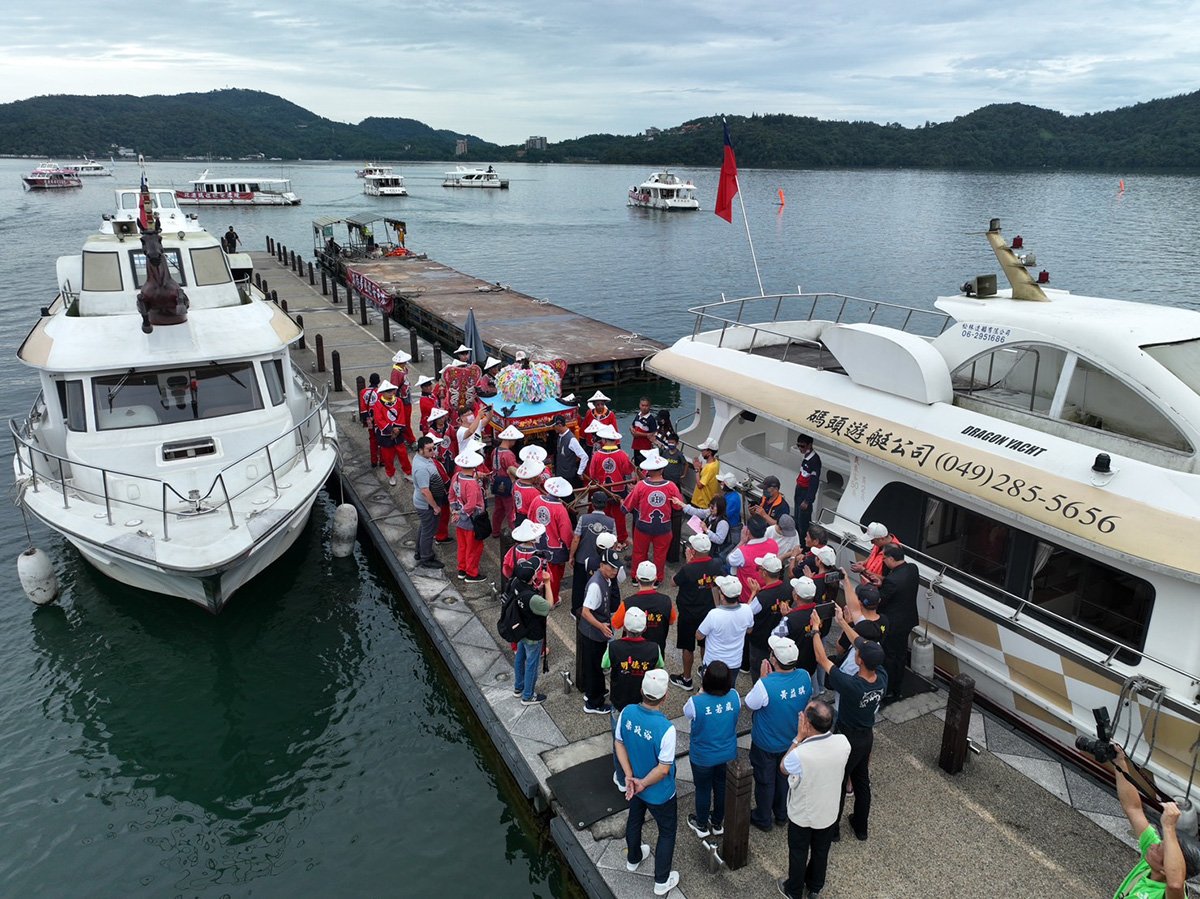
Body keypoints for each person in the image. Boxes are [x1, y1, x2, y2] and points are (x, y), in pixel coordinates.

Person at [811, 609, 887, 842]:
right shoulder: (881, 675)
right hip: (866, 736)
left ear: (859, 659)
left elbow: (822, 660)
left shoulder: (852, 685)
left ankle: (833, 831)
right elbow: (860, 642)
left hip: (846, 737)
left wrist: (815, 629)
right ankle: (861, 827)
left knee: (839, 781)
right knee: (862, 780)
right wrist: (842, 622)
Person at [616, 668, 680, 897]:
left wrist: (629, 777)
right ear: (665, 697)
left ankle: (633, 858)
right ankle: (661, 880)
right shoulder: (666, 729)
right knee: (667, 831)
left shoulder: (627, 712)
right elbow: (663, 769)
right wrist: (642, 782)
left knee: (635, 819)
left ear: (642, 690)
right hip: (659, 792)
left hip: (635, 784)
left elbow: (619, 743)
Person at [777, 700, 851, 899]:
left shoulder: (801, 754)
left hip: (803, 813)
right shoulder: (843, 743)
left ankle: (794, 890)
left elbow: (784, 767)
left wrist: (798, 738)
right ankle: (815, 886)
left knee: (799, 852)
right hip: (828, 810)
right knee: (821, 850)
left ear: (807, 725)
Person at [746, 635, 813, 832]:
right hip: (792, 739)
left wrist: (761, 678)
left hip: (766, 742)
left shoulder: (766, 684)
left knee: (765, 781)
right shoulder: (804, 676)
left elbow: (750, 704)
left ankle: (763, 817)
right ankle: (782, 814)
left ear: (774, 659)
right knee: (785, 778)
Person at [1113, 744, 1189, 899]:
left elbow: (1175, 885)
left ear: (1165, 869)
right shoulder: (1151, 863)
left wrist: (1168, 827)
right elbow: (1133, 808)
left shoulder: (1165, 894)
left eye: (1160, 846)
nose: (1153, 844)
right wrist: (1119, 762)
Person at [604, 606, 664, 790]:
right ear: (645, 628)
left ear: (625, 627)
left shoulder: (614, 646)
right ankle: (642, 773)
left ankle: (622, 779)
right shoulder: (654, 648)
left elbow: (604, 665)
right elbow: (660, 667)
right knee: (641, 740)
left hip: (620, 703)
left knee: (619, 741)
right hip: (643, 703)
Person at [682, 660, 740, 840]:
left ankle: (701, 824)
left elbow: (687, 713)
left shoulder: (695, 702)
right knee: (721, 787)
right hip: (727, 752)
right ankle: (717, 823)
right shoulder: (734, 696)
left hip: (702, 756)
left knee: (703, 788)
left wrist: (701, 693)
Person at [670, 534, 724, 691]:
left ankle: (686, 679)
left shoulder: (688, 569)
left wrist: (688, 564)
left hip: (688, 613)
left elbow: (673, 582)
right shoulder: (716, 565)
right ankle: (706, 670)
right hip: (708, 611)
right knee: (705, 643)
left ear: (693, 550)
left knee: (688, 646)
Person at [867, 544, 919, 704]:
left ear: (891, 559)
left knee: (890, 656)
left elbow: (881, 600)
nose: (883, 561)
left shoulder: (892, 581)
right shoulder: (912, 569)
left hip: (893, 623)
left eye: (884, 558)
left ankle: (889, 688)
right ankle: (898, 683)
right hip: (908, 619)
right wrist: (883, 580)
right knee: (901, 653)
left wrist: (873, 587)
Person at [623, 451, 681, 576]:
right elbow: (677, 505)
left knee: (639, 553)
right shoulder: (671, 486)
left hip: (643, 525)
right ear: (662, 470)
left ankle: (636, 576)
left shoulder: (641, 486)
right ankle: (657, 578)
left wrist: (623, 506)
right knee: (660, 556)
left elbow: (628, 505)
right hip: (664, 527)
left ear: (648, 470)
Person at [579, 548, 622, 715]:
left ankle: (594, 691)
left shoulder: (606, 579)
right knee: (594, 667)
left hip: (598, 632)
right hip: (592, 633)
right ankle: (593, 703)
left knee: (595, 666)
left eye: (616, 568)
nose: (614, 571)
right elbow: (585, 612)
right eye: (611, 567)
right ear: (602, 565)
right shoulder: (596, 585)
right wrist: (601, 626)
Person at [510, 558, 555, 705]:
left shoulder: (516, 583)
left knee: (520, 657)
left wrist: (537, 589)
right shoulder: (533, 599)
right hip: (533, 634)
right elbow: (549, 605)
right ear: (532, 578)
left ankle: (518, 687)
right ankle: (528, 696)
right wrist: (547, 584)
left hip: (520, 629)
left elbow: (530, 593)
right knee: (531, 664)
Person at [696, 575, 754, 678]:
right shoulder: (747, 609)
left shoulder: (714, 614)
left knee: (709, 689)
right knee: (729, 689)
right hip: (734, 662)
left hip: (713, 662)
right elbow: (749, 630)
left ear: (722, 596)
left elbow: (699, 636)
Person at [613, 561, 676, 656]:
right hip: (656, 653)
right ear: (655, 579)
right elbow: (671, 621)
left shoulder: (627, 603)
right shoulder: (666, 601)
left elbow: (615, 623)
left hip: (632, 656)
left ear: (637, 578)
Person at [568, 491, 615, 616]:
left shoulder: (584, 519)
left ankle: (576, 611)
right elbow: (613, 543)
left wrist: (571, 556)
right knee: (599, 586)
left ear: (592, 504)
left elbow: (576, 538)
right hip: (600, 562)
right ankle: (596, 609)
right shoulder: (610, 522)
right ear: (605, 505)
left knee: (579, 586)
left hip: (582, 559)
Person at [587, 425, 635, 547]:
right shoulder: (623, 455)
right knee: (619, 516)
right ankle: (622, 538)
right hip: (619, 490)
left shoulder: (597, 455)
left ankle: (605, 537)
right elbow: (627, 471)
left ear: (603, 440)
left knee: (604, 514)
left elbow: (592, 474)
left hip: (602, 490)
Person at [529, 477, 575, 603]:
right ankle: (552, 599)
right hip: (554, 547)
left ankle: (536, 594)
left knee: (536, 570)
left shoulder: (536, 499)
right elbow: (566, 532)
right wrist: (570, 547)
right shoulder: (560, 509)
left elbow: (529, 516)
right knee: (553, 575)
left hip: (536, 542)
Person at [746, 554, 792, 679]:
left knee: (758, 671)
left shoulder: (762, 597)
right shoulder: (788, 588)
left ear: (765, 573)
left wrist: (754, 592)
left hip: (760, 642)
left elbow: (746, 614)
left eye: (760, 569)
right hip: (780, 638)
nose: (759, 571)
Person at [449, 450, 487, 582]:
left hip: (459, 519)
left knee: (462, 546)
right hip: (471, 520)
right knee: (474, 548)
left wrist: (455, 511)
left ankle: (462, 569)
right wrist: (461, 514)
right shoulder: (471, 483)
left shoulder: (456, 476)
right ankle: (472, 573)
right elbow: (471, 505)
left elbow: (451, 496)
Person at [726, 515, 780, 604]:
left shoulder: (742, 552)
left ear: (748, 531)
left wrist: (742, 541)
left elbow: (729, 559)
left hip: (747, 596)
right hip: (767, 593)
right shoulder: (773, 544)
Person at [411, 437, 444, 570]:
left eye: (434, 448)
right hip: (427, 505)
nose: (433, 452)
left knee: (424, 528)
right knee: (428, 531)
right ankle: (426, 557)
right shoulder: (421, 468)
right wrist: (435, 506)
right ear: (420, 450)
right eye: (429, 449)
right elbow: (425, 491)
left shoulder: (423, 459)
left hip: (426, 503)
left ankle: (419, 551)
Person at [372, 380, 411, 485]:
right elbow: (379, 420)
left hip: (398, 433)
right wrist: (391, 429)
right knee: (388, 458)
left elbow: (402, 416)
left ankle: (407, 473)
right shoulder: (378, 404)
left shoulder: (398, 401)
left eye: (391, 390)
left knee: (403, 454)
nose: (390, 393)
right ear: (382, 393)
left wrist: (397, 429)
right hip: (385, 435)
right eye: (387, 391)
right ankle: (391, 475)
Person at [676, 494, 732, 567]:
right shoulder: (710, 513)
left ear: (720, 508)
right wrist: (681, 504)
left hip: (713, 552)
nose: (710, 509)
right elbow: (696, 512)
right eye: (710, 506)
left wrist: (706, 530)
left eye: (713, 507)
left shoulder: (723, 523)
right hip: (704, 548)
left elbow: (719, 540)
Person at [657, 432, 687, 563]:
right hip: (665, 483)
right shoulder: (664, 453)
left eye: (673, 442)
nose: (670, 444)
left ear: (677, 443)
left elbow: (685, 464)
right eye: (669, 441)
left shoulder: (680, 455)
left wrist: (683, 475)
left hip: (675, 484)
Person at [490, 425, 522, 537]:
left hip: (496, 483)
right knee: (510, 510)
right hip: (507, 485)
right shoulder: (508, 454)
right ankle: (514, 533)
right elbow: (513, 469)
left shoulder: (495, 450)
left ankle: (495, 531)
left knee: (498, 509)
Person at [501, 520, 547, 593]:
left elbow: (506, 568)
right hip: (533, 588)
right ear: (533, 538)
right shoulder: (539, 555)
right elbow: (542, 574)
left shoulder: (513, 550)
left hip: (517, 585)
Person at [792, 434, 822, 537]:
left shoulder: (814, 460)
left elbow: (814, 482)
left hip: (805, 493)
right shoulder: (806, 457)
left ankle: (803, 545)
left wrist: (808, 500)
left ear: (810, 445)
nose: (800, 448)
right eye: (798, 445)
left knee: (803, 521)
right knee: (796, 517)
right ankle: (797, 541)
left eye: (802, 446)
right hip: (799, 489)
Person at [551, 415, 588, 489]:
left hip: (569, 476)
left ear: (560, 425)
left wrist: (579, 472)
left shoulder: (571, 439)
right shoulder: (560, 436)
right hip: (561, 475)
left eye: (554, 426)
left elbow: (584, 456)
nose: (553, 428)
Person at [511, 458, 545, 529]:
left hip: (518, 514)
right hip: (529, 518)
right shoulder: (533, 492)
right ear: (533, 477)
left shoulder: (517, 483)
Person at [690, 438, 721, 509]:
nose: (701, 452)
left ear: (709, 452)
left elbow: (700, 485)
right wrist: (701, 469)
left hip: (701, 503)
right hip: (707, 501)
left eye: (703, 450)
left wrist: (697, 470)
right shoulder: (716, 462)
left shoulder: (709, 468)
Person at [358, 373, 381, 468]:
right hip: (379, 419)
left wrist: (367, 419)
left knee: (372, 439)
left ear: (369, 381)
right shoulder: (380, 392)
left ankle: (374, 461)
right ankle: (382, 460)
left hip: (369, 419)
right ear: (378, 381)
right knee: (381, 440)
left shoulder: (363, 392)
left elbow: (363, 408)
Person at [629, 396, 658, 466]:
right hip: (636, 446)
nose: (644, 407)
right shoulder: (638, 415)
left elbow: (653, 434)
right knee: (637, 465)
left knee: (644, 466)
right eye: (642, 405)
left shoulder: (651, 419)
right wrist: (631, 429)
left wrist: (638, 434)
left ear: (649, 406)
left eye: (646, 405)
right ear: (639, 405)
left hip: (645, 448)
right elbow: (632, 425)